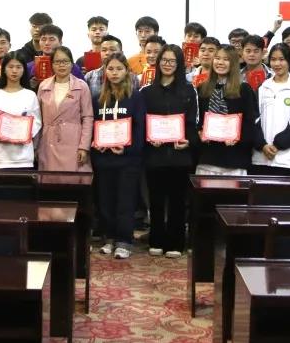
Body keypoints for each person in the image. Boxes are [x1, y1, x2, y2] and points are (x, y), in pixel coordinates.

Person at [140, 43, 198, 258]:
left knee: (177, 201)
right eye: (164, 60)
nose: (167, 64)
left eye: (172, 61)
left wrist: (188, 141)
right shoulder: (146, 91)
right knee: (155, 200)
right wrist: (148, 138)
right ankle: (156, 239)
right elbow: (142, 122)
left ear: (179, 64)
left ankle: (175, 242)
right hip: (154, 154)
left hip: (179, 155)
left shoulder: (188, 90)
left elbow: (193, 122)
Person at [91, 53, 145, 259]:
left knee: (125, 201)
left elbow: (139, 128)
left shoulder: (135, 97)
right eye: (110, 69)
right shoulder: (98, 98)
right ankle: (109, 238)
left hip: (128, 160)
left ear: (127, 72)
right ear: (105, 72)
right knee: (105, 201)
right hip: (104, 158)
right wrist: (96, 143)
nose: (114, 73)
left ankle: (124, 240)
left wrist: (127, 149)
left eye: (119, 69)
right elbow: (94, 126)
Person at [196, 46, 257, 175]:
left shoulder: (244, 89)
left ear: (233, 63)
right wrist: (200, 132)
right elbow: (198, 119)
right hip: (208, 157)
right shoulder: (202, 88)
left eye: (226, 59)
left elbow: (250, 123)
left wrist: (238, 138)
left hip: (234, 158)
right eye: (217, 58)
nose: (220, 62)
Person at [251, 43, 290, 175]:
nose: (277, 64)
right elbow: (254, 118)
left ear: (289, 61)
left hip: (287, 160)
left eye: (281, 59)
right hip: (260, 158)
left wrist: (278, 145)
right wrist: (262, 145)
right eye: (273, 59)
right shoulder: (262, 87)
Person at [37, 45, 94, 172]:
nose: (61, 65)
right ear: (52, 64)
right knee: (49, 178)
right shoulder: (43, 86)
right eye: (57, 62)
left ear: (72, 64)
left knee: (72, 178)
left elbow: (88, 118)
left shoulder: (81, 86)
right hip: (48, 141)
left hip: (74, 141)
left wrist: (84, 147)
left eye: (65, 61)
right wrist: (36, 146)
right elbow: (38, 119)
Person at [0, 53, 42, 169]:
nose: (14, 71)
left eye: (18, 67)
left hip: (24, 157)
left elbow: (37, 121)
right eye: (10, 67)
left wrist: (25, 134)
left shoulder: (30, 95)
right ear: (4, 69)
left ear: (24, 70)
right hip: (0, 158)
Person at [84, 34, 123, 103]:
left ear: (121, 53)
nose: (107, 53)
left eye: (112, 49)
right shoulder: (89, 76)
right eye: (104, 50)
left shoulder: (132, 78)